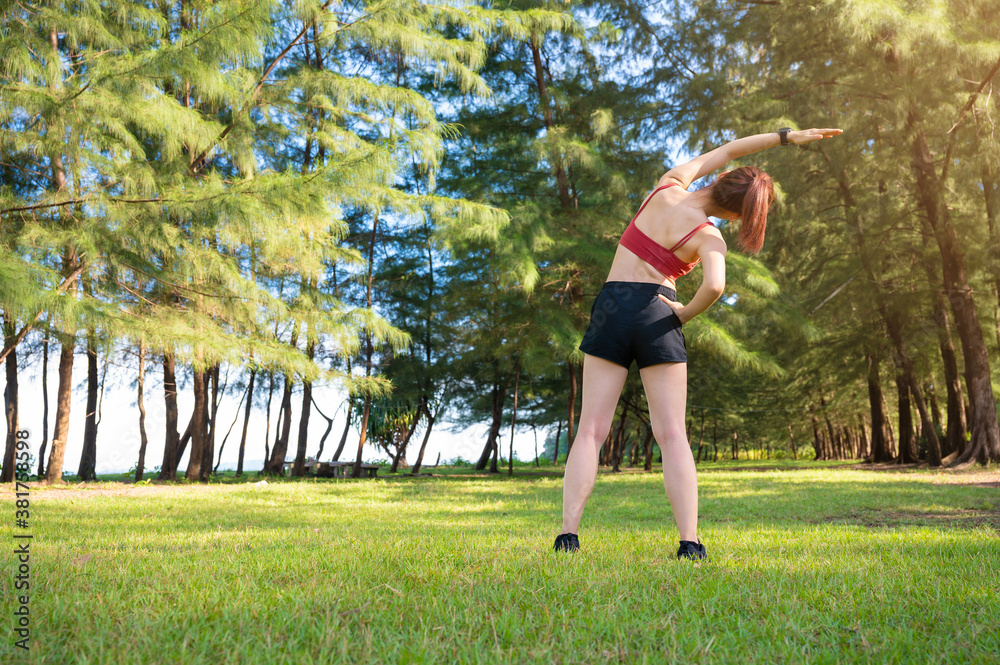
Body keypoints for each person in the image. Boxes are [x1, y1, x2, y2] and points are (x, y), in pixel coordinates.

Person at [553, 127, 843, 559]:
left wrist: (786, 137)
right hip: (657, 312)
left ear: (721, 182)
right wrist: (684, 314)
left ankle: (568, 537)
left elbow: (728, 149)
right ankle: (689, 543)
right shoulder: (709, 235)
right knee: (672, 436)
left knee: (591, 431)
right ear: (739, 215)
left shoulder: (668, 186)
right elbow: (715, 285)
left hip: (612, 307)